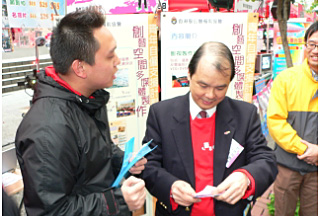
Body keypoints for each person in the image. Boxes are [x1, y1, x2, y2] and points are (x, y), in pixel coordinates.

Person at [15, 10, 147, 216]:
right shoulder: (48, 129)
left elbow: (94, 152)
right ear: (81, 68)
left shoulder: (89, 99)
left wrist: (123, 161)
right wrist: (118, 201)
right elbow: (52, 211)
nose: (118, 61)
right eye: (110, 55)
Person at [140, 41, 278, 215]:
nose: (210, 95)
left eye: (220, 88)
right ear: (189, 74)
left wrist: (246, 177)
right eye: (203, 85)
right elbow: (149, 164)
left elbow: (266, 159)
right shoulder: (161, 114)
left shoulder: (244, 114)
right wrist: (171, 186)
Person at [267, 21, 318, 216]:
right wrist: (307, 150)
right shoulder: (286, 79)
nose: (315, 51)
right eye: (312, 44)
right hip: (288, 165)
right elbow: (275, 121)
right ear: (305, 46)